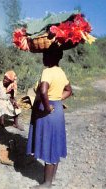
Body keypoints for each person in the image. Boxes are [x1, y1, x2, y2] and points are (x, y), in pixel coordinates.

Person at [26, 48, 72, 188]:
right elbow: (69, 90)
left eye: (45, 55)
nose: (43, 58)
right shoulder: (60, 71)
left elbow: (44, 90)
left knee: (48, 143)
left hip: (48, 112)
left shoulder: (47, 71)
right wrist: (57, 99)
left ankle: (46, 184)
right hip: (57, 110)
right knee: (55, 143)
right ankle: (51, 178)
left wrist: (47, 106)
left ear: (51, 57)